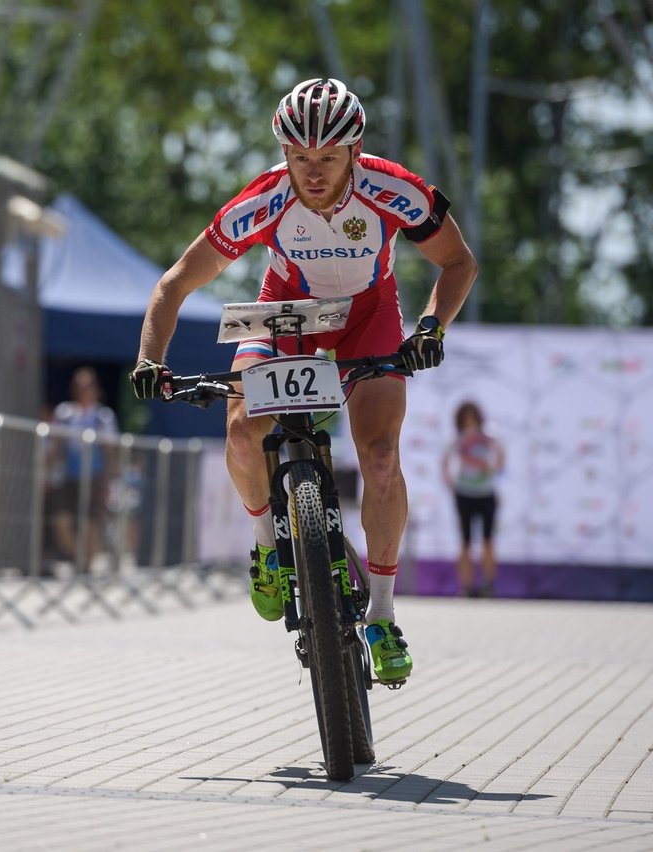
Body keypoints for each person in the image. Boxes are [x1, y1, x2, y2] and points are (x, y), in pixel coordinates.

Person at [129, 78, 477, 685]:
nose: (312, 173)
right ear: (283, 153)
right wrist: (149, 360)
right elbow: (175, 284)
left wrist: (431, 327)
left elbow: (458, 262)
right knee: (240, 430)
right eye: (300, 158)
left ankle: (384, 615)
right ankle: (266, 543)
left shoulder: (395, 189)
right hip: (284, 315)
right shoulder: (263, 200)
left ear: (355, 150)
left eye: (327, 158)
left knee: (380, 454)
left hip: (369, 316)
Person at [50, 367, 119, 569]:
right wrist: (48, 473)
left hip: (94, 477)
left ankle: (88, 564)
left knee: (90, 522)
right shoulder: (64, 413)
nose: (83, 390)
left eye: (87, 386)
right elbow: (54, 447)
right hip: (68, 476)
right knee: (61, 520)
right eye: (79, 386)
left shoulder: (103, 416)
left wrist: (109, 481)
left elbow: (109, 453)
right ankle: (78, 557)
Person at [442, 400, 504, 597]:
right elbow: (445, 461)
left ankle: (488, 585)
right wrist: (451, 484)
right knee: (465, 542)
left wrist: (493, 471)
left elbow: (501, 454)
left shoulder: (487, 436)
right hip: (464, 494)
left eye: (473, 416)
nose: (469, 420)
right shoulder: (457, 438)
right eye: (466, 416)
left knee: (488, 540)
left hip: (486, 494)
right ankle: (467, 587)